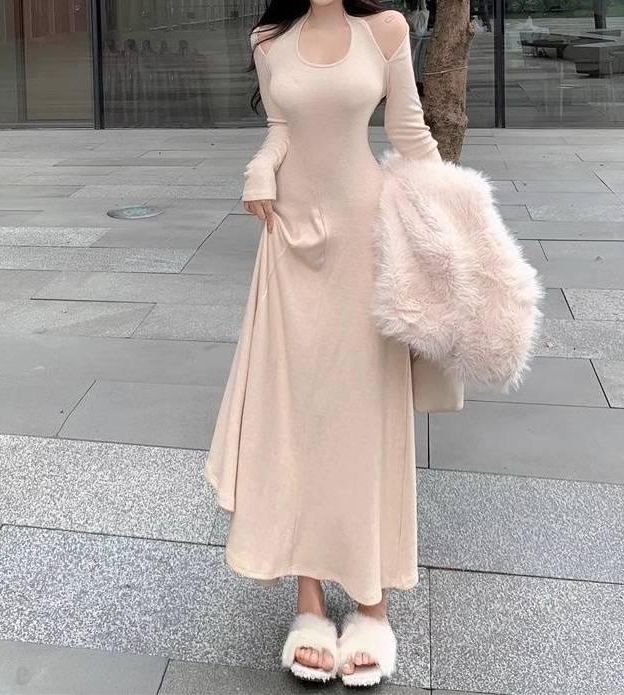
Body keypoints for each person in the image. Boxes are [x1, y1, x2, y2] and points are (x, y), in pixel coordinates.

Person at [206, 0, 455, 686]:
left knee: (363, 413)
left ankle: (372, 602)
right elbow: (281, 129)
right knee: (298, 414)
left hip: (363, 242)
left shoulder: (386, 29)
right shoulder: (268, 38)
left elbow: (409, 133)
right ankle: (309, 601)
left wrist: (455, 225)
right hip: (289, 241)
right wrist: (261, 167)